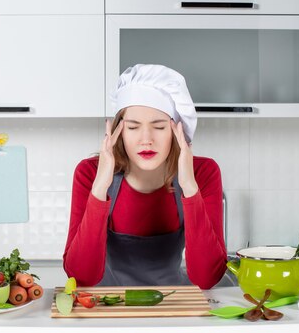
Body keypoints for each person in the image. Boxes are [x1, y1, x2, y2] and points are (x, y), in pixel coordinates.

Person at [63, 64, 226, 289]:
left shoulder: (202, 172)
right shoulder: (90, 173)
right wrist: (99, 189)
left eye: (159, 127)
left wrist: (189, 187)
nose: (146, 139)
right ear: (118, 131)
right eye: (133, 127)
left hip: (174, 307)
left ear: (177, 131)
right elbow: (81, 277)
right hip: (107, 310)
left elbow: (207, 278)